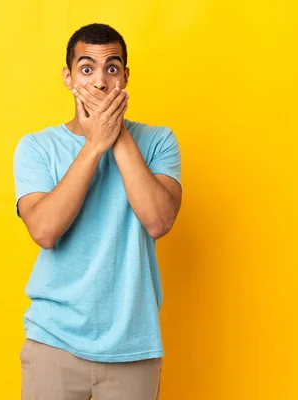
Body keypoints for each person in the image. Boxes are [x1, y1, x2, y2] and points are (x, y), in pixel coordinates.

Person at [13, 23, 182, 400]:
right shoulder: (37, 147)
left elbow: (158, 221)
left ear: (125, 76)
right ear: (68, 77)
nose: (101, 82)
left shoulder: (159, 141)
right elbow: (44, 230)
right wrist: (93, 146)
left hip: (133, 346)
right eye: (86, 69)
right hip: (52, 343)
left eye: (112, 68)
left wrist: (115, 134)